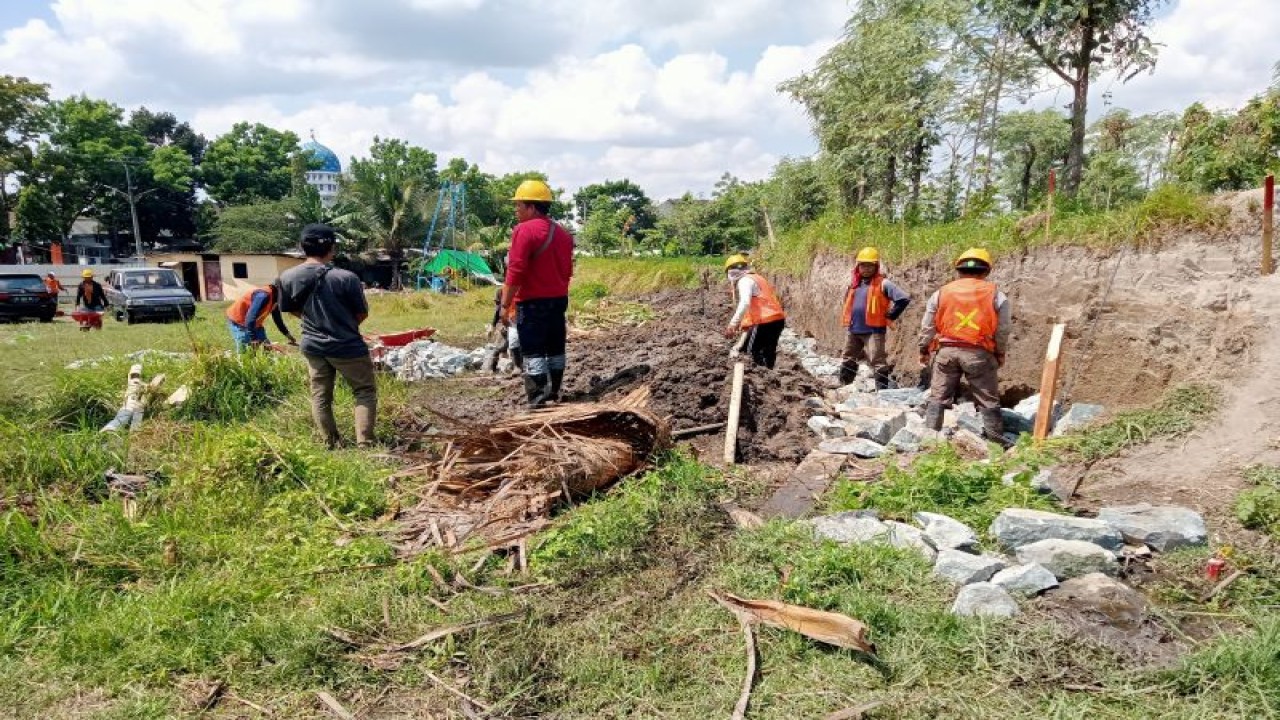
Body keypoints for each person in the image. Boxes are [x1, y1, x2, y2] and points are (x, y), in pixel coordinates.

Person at [278, 224, 377, 448]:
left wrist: (316, 323)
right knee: (364, 391)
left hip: (313, 346)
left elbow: (290, 309)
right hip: (347, 346)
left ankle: (331, 443)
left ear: (302, 247)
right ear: (332, 247)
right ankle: (365, 442)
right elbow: (361, 313)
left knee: (320, 396)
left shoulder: (287, 277)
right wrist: (341, 325)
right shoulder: (347, 277)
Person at [918, 248, 1012, 444]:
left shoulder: (941, 292)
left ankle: (929, 441)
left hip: (947, 352)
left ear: (958, 270)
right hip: (979, 353)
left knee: (938, 396)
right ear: (986, 271)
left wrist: (924, 349)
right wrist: (1000, 352)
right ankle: (996, 445)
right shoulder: (996, 295)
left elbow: (927, 325)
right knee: (988, 400)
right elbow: (1003, 329)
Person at [500, 179, 574, 407]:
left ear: (531, 207)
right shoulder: (563, 233)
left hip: (532, 303)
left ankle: (538, 400)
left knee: (533, 352)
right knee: (555, 348)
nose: (516, 210)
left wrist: (505, 305)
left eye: (518, 205)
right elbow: (567, 271)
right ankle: (554, 392)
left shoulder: (524, 230)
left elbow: (515, 271)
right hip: (558, 301)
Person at [838, 246, 911, 388]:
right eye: (863, 265)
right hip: (854, 328)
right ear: (858, 266)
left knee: (877, 361)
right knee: (848, 357)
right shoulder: (854, 284)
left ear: (876, 266)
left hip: (874, 331)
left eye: (870, 266)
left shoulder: (884, 283)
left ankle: (882, 391)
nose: (866, 269)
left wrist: (892, 315)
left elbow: (903, 299)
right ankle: (844, 386)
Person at [723, 254, 787, 369]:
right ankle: (769, 374)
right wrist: (739, 343)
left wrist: (733, 324)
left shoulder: (744, 281)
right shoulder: (757, 278)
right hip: (777, 320)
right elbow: (749, 316)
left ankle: (756, 376)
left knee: (751, 353)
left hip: (763, 321)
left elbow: (744, 303)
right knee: (768, 352)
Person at [225, 282, 297, 352]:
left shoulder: (276, 298)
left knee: (267, 349)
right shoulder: (263, 296)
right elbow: (250, 317)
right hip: (239, 321)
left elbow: (277, 319)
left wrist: (288, 335)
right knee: (246, 350)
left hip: (254, 323)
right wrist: (253, 338)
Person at [486, 286, 522, 374]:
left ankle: (517, 367)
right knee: (501, 346)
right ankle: (491, 368)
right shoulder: (501, 290)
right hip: (506, 321)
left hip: (514, 320)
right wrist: (493, 325)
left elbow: (498, 309)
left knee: (510, 346)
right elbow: (498, 310)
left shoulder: (503, 290)